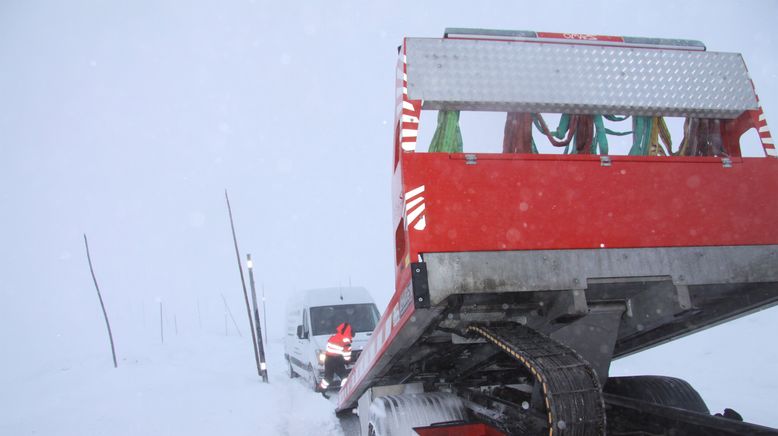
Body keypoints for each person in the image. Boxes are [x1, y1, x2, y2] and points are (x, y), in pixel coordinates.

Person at [318, 322, 353, 398]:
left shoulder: (334, 337)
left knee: (328, 377)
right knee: (344, 377)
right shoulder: (346, 340)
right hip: (337, 360)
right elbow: (346, 354)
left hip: (328, 359)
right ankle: (345, 393)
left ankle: (321, 391)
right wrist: (347, 361)